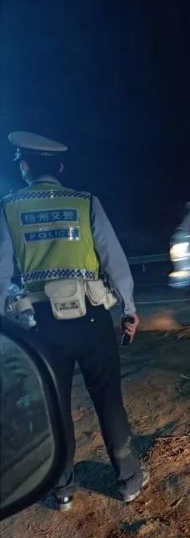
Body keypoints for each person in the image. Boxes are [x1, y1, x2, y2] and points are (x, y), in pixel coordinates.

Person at [0, 131, 148, 511]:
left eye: (21, 161)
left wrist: (14, 316)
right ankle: (128, 479)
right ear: (60, 167)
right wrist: (128, 309)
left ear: (26, 166)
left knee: (55, 405)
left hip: (42, 326)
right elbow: (113, 260)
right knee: (108, 398)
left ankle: (62, 487)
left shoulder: (7, 208)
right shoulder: (85, 203)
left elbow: (1, 276)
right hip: (92, 320)